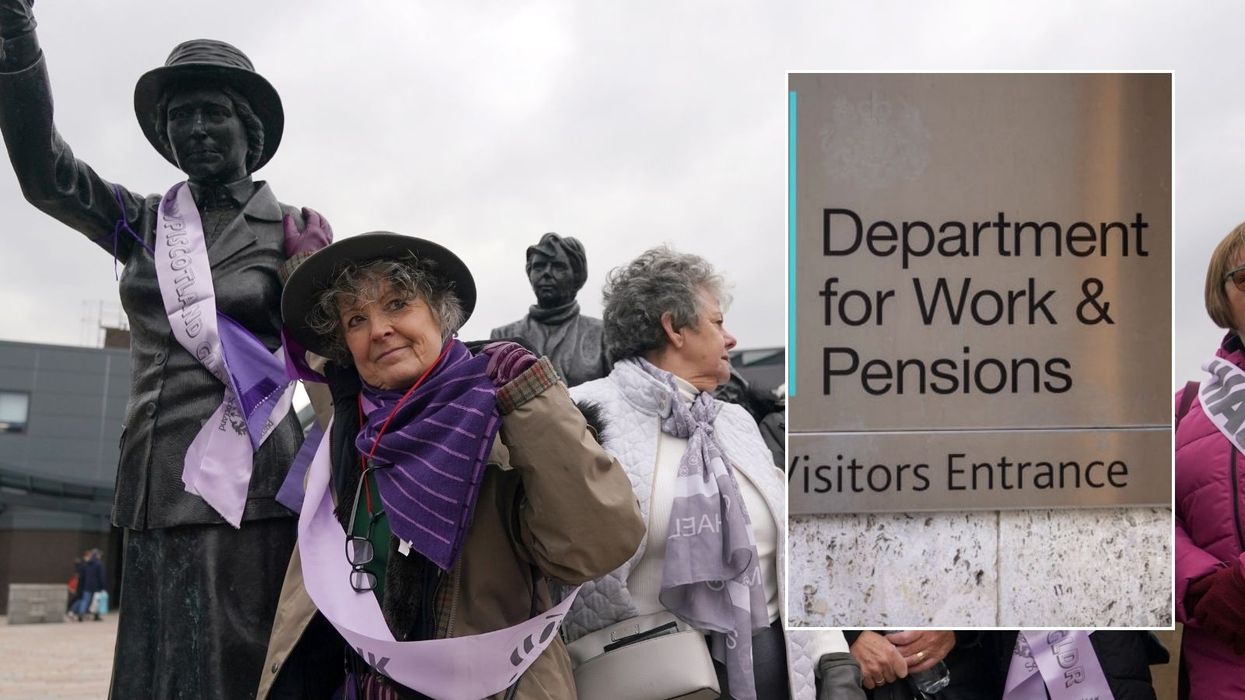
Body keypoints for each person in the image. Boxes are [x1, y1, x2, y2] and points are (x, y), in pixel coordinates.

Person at [0, 4, 332, 697]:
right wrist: (14, 35)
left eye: (212, 113)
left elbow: (333, 356)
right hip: (154, 474)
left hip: (249, 480)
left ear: (251, 129)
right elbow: (44, 174)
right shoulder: (144, 221)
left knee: (234, 665)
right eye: (180, 117)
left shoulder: (293, 231)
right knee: (158, 667)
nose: (195, 129)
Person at [261, 232, 645, 699]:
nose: (379, 328)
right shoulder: (355, 428)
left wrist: (532, 398)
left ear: (441, 314)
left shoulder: (506, 424)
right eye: (356, 319)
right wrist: (300, 263)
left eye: (398, 303)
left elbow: (598, 546)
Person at [564, 247, 863, 700]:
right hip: (650, 678)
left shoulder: (735, 421)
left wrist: (831, 653)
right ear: (675, 327)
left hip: (773, 675)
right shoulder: (580, 413)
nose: (731, 339)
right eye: (718, 322)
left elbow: (784, 549)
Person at [1174, 221, 1245, 699]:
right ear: (1222, 293)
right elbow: (1146, 514)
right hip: (1221, 666)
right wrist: (1197, 584)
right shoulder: (1183, 409)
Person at [489, 232, 609, 386]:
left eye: (558, 267)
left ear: (577, 275)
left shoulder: (603, 334)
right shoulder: (503, 336)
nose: (546, 273)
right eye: (539, 267)